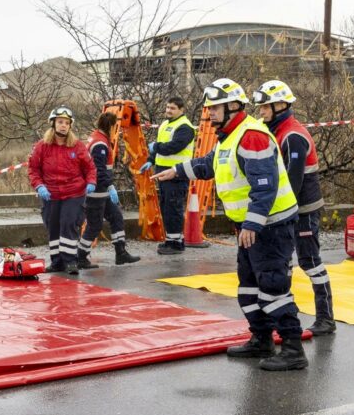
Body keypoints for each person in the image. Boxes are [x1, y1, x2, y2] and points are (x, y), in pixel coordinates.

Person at [153, 78, 306, 371]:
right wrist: (176, 172)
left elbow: (265, 186)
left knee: (273, 288)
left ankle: (292, 349)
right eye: (209, 108)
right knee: (248, 288)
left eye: (214, 108)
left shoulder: (251, 136)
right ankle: (261, 339)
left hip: (269, 228)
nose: (209, 113)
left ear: (233, 106)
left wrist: (252, 224)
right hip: (249, 227)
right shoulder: (231, 137)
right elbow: (209, 164)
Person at [253, 80, 335, 336]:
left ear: (280, 105)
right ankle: (285, 314)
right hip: (289, 210)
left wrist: (275, 212)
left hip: (303, 210)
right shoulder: (276, 130)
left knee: (310, 262)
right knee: (285, 262)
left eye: (265, 107)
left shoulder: (292, 135)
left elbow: (293, 181)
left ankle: (326, 317)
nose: (262, 112)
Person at [28, 106, 96, 275]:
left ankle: (70, 261)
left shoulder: (78, 146)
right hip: (50, 194)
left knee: (69, 224)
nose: (63, 125)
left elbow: (90, 168)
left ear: (70, 126)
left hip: (74, 193)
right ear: (53, 124)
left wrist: (91, 181)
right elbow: (33, 169)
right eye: (60, 122)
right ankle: (57, 261)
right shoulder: (42, 147)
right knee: (53, 227)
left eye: (66, 123)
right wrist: (39, 185)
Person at [77, 111, 139, 268]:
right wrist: (111, 186)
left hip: (101, 192)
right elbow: (99, 170)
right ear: (112, 126)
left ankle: (121, 253)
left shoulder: (97, 137)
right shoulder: (100, 144)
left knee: (116, 217)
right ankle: (81, 256)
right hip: (97, 192)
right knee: (94, 225)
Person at [139, 96, 196, 254]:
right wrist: (151, 160)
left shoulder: (185, 127)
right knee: (166, 206)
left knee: (174, 207)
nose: (168, 110)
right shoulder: (164, 124)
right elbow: (159, 147)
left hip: (177, 173)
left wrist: (156, 147)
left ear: (181, 110)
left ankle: (176, 243)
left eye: (173, 108)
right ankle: (172, 239)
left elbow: (174, 147)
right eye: (168, 107)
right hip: (163, 171)